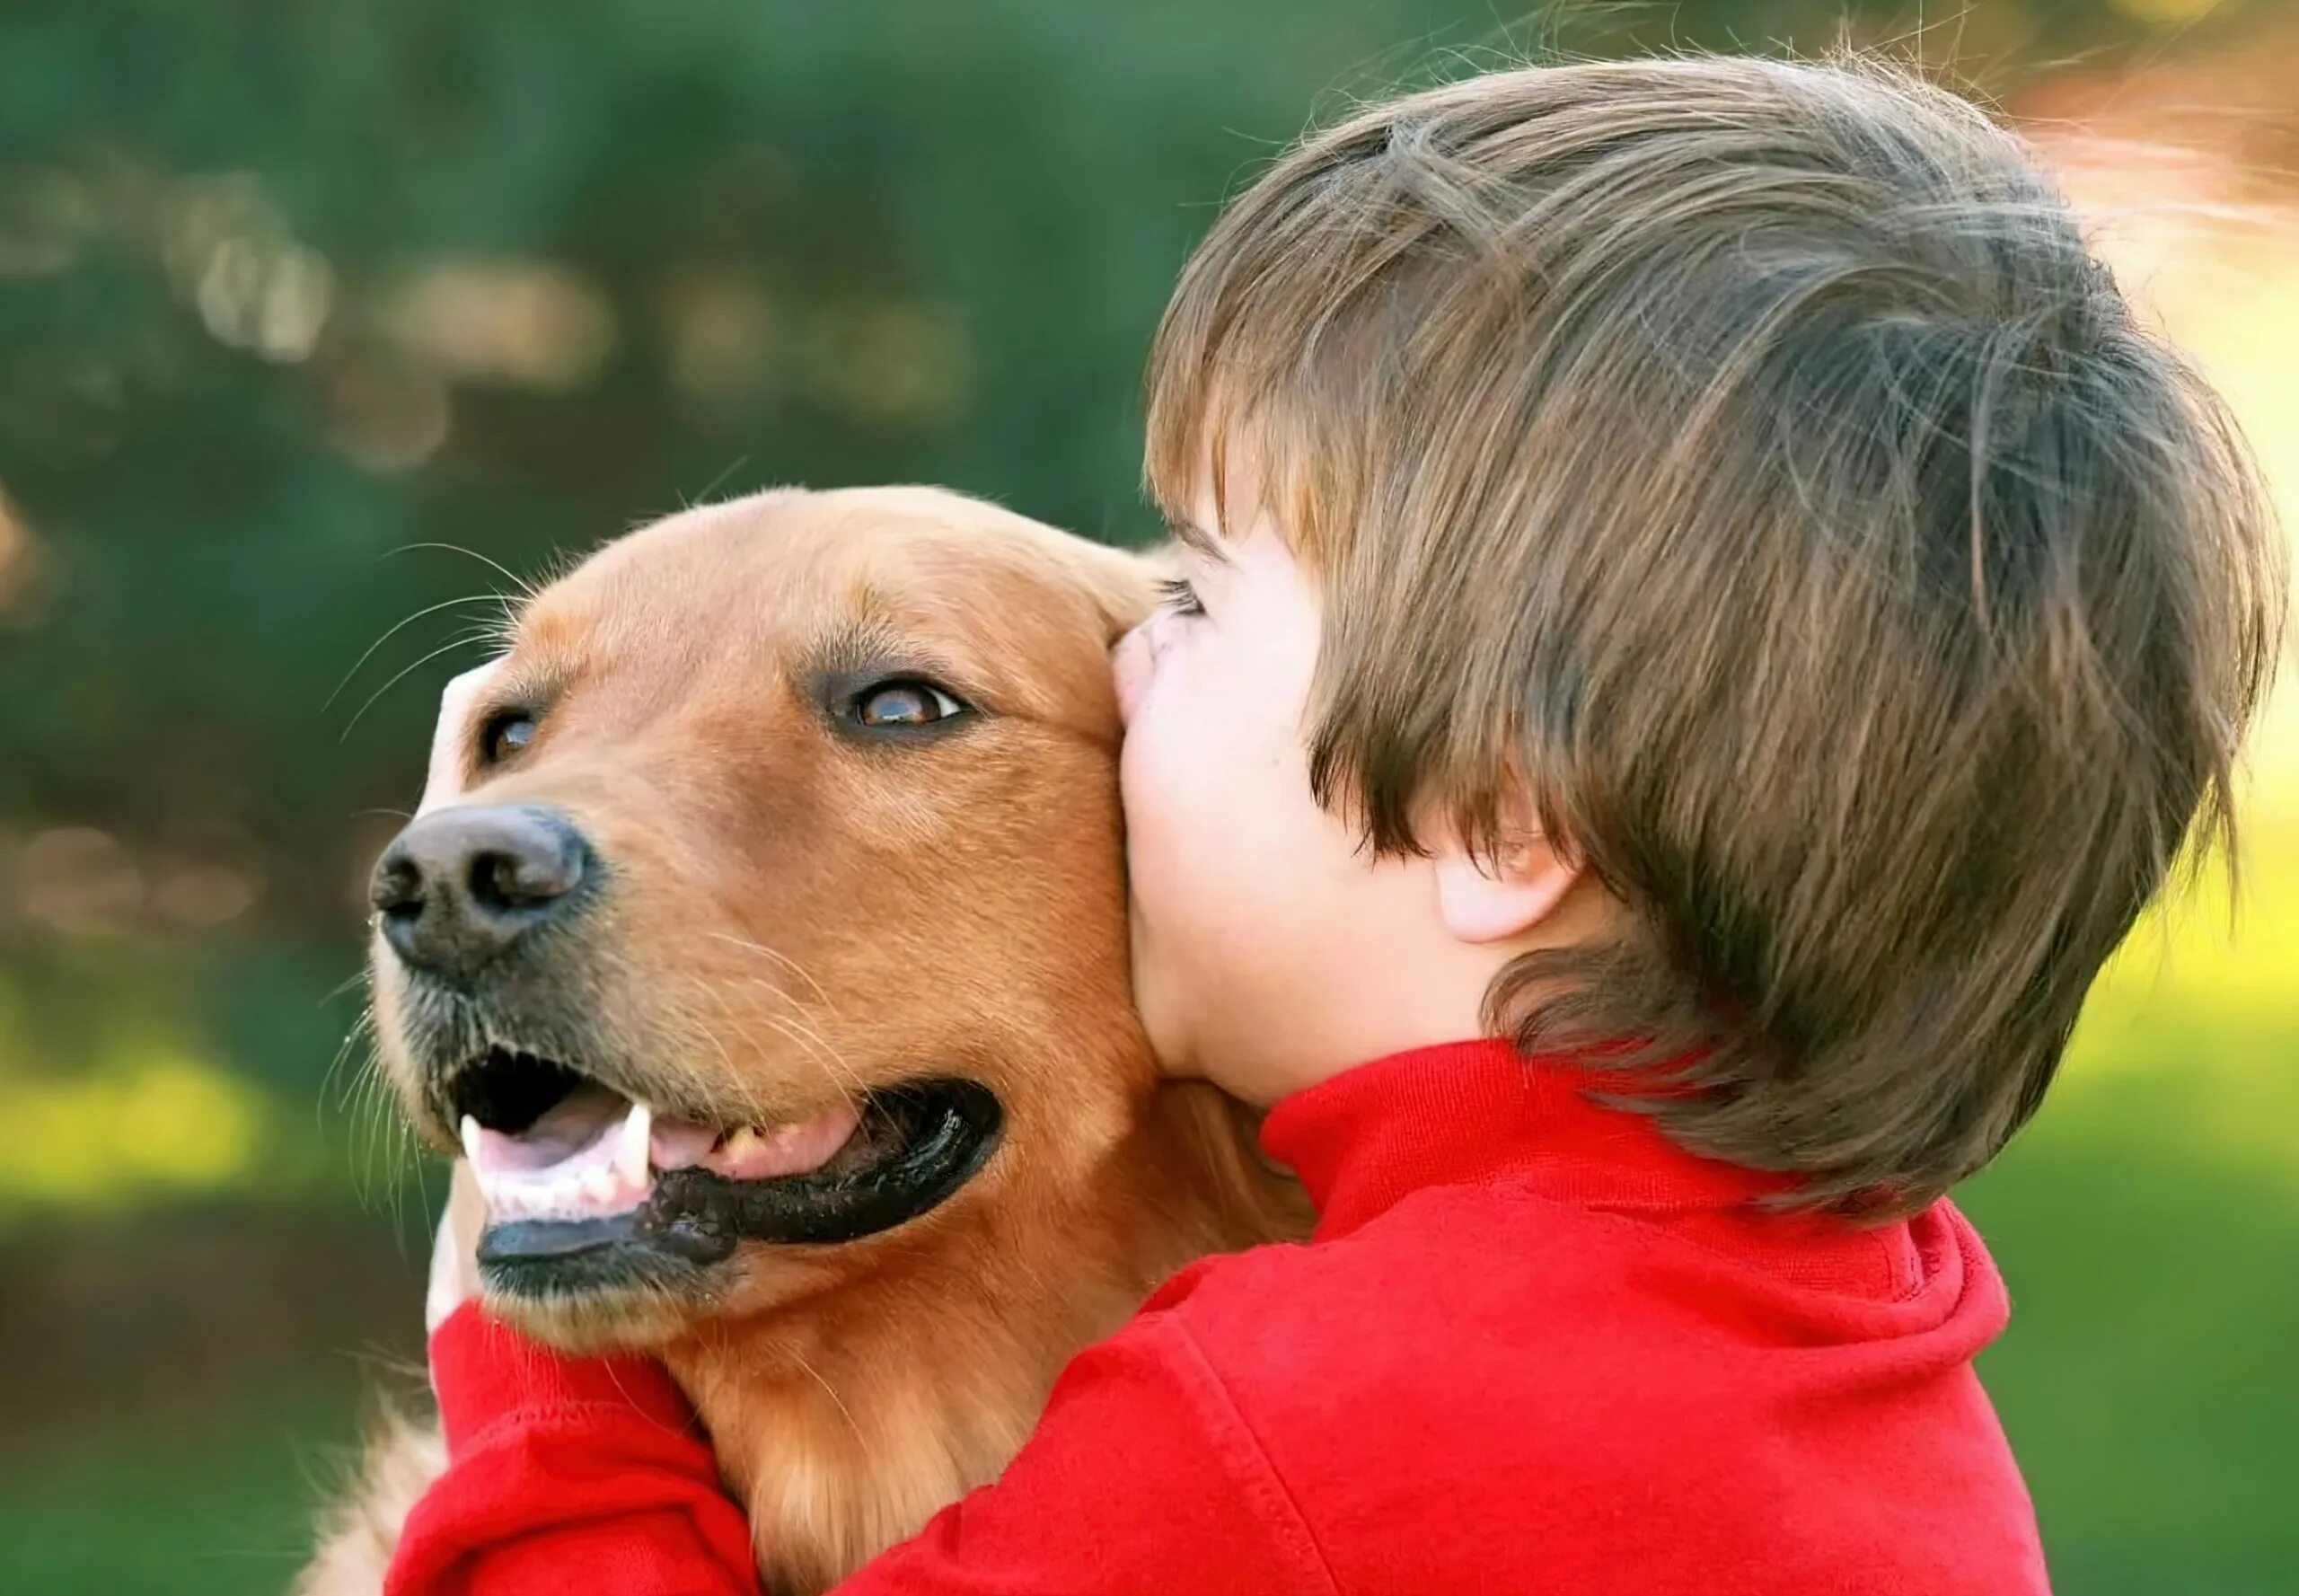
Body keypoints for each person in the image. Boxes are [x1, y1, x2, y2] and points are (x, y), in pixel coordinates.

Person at [384, 53, 2286, 1595]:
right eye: (526, 724)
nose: (1135, 678)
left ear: (1493, 813)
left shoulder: (1308, 1425)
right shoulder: (1837, 1309)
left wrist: (538, 1404)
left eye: (1196, 601)